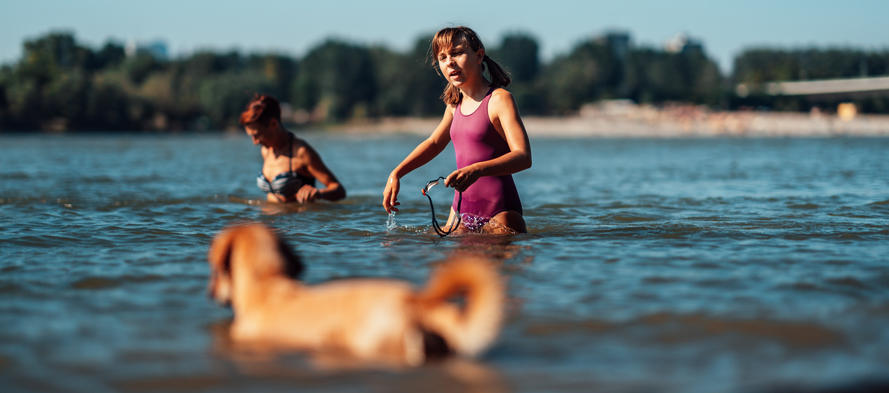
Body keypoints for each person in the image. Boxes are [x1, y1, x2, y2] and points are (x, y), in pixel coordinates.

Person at [382, 26, 531, 234]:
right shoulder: (454, 105)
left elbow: (523, 157)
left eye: (457, 53)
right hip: (460, 214)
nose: (450, 62)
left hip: (501, 212)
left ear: (479, 56)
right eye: (442, 57)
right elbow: (434, 143)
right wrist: (397, 173)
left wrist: (477, 170)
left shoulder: (499, 99)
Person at [240, 94, 345, 203]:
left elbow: (339, 190)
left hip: (297, 214)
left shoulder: (301, 152)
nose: (255, 142)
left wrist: (318, 194)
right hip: (268, 212)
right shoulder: (265, 150)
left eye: (257, 135)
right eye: (251, 136)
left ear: (273, 123)